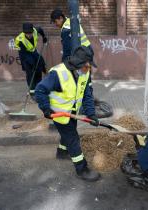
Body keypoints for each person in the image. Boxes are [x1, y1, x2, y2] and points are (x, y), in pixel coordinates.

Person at [34, 46, 100, 182]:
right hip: (58, 114)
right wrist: (46, 109)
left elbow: (87, 94)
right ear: (79, 64)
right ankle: (82, 169)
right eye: (87, 66)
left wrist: (91, 114)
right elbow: (39, 90)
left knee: (69, 134)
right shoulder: (58, 74)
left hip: (71, 112)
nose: (89, 69)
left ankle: (62, 152)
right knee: (73, 139)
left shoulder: (84, 73)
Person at [14, 22, 47, 95]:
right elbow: (24, 55)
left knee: (39, 67)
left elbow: (40, 29)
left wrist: (44, 37)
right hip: (24, 55)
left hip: (33, 51)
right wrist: (32, 64)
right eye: (27, 33)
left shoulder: (35, 31)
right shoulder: (20, 40)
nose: (29, 35)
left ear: (32, 31)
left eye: (30, 33)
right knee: (30, 73)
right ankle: (32, 92)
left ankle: (39, 87)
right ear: (24, 32)